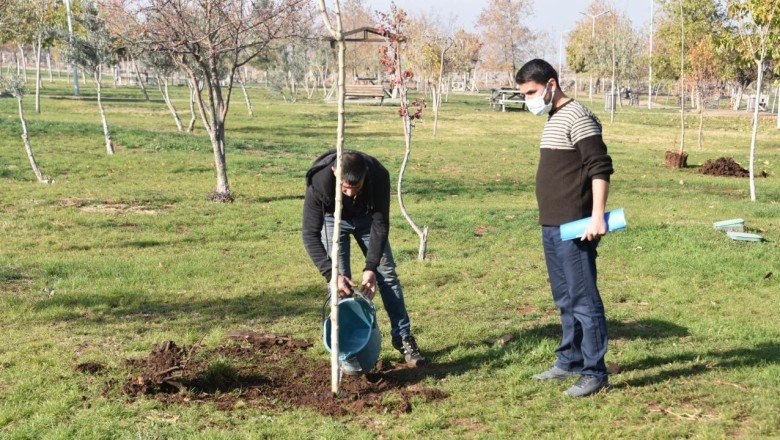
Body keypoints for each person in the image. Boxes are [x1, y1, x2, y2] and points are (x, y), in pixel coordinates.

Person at [515, 59, 614, 397]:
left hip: (576, 225)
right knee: (565, 297)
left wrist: (597, 216)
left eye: (531, 92)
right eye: (524, 94)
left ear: (552, 85)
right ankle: (569, 359)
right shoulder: (555, 117)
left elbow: (599, 167)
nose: (528, 99)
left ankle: (595, 372)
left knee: (584, 299)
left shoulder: (579, 116)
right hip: (552, 224)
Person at [302, 149, 426, 367]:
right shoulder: (319, 183)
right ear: (334, 173)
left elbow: (380, 224)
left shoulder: (378, 176)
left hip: (367, 219)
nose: (349, 194)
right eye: (344, 188)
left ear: (365, 176)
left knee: (387, 276)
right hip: (333, 219)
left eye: (356, 188)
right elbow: (309, 234)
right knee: (340, 286)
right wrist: (332, 274)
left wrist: (371, 267)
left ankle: (403, 338)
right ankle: (345, 347)